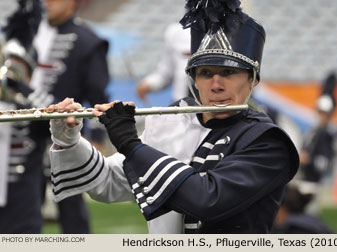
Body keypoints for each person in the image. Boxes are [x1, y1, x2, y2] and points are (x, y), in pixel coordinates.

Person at [47, 0, 299, 233]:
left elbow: (207, 200)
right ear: (193, 79)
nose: (216, 84)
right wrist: (68, 137)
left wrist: (131, 145)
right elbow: (107, 182)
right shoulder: (172, 122)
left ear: (252, 78)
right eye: (206, 72)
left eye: (229, 72)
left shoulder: (267, 142)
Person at [29, 0, 110, 233]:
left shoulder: (88, 40)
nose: (48, 2)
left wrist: (96, 136)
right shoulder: (30, 33)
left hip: (66, 138)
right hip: (25, 138)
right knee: (22, 210)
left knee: (72, 212)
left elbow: (97, 95)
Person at [0, 0, 44, 233]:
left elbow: (53, 118)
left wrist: (22, 91)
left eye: (17, 65)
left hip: (23, 203)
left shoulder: (36, 99)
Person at [299, 72, 337, 183]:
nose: (321, 115)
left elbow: (326, 163)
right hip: (305, 177)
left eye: (324, 113)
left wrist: (308, 161)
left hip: (316, 182)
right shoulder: (314, 130)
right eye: (320, 112)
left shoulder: (329, 134)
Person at [136, 22, 191, 103]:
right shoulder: (176, 32)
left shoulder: (214, 30)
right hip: (180, 107)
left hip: (209, 106)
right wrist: (149, 84)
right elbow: (165, 74)